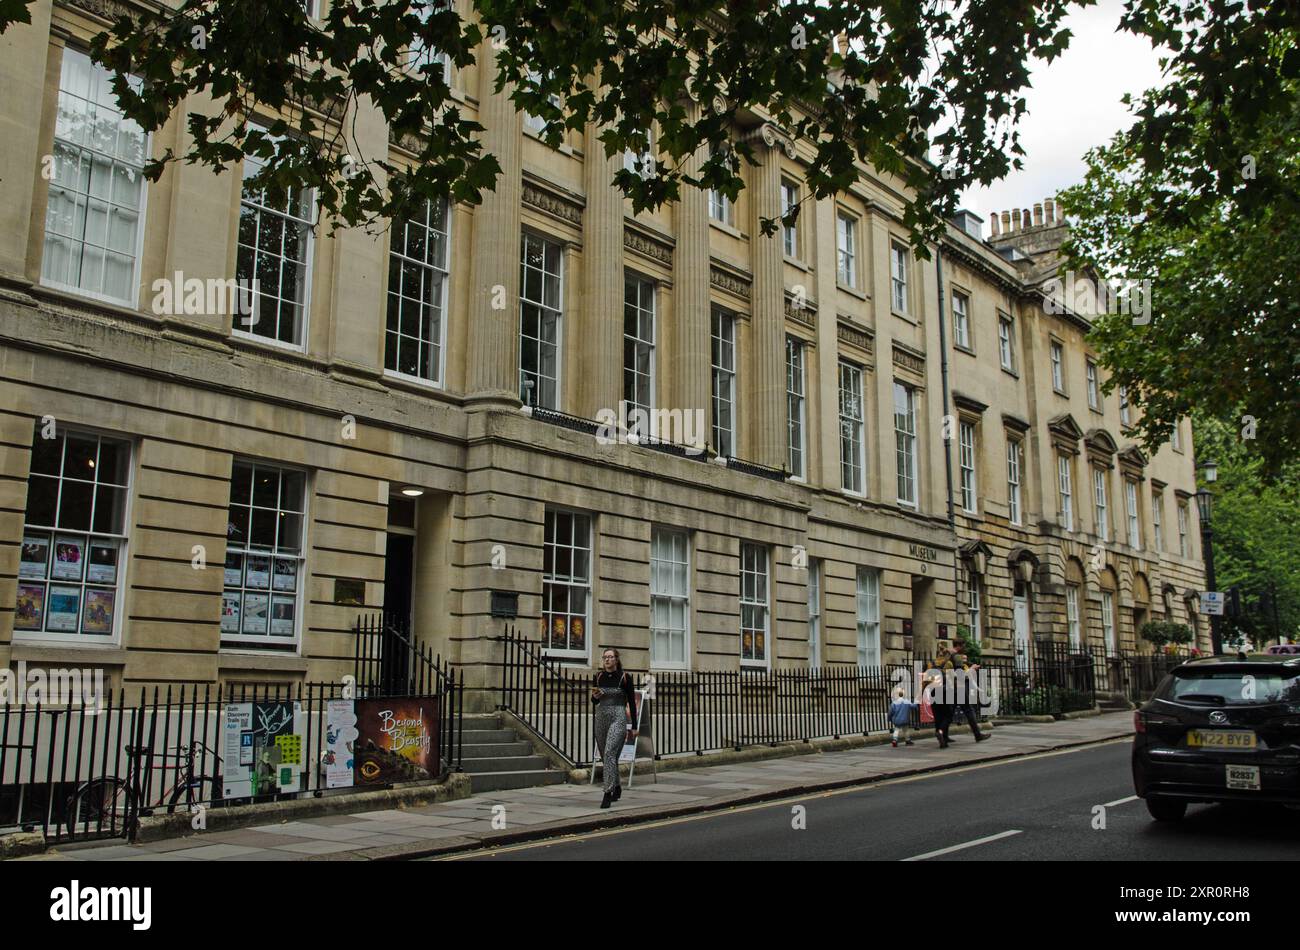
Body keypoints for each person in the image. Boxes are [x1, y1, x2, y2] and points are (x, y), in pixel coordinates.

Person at [591, 647, 638, 808]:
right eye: (605, 657)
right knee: (607, 757)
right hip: (601, 717)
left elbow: (632, 702)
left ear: (616, 659)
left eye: (610, 657)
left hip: (618, 717)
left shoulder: (625, 677)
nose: (607, 660)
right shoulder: (598, 676)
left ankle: (607, 792)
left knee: (610, 752)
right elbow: (594, 702)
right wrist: (594, 697)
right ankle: (617, 786)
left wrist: (635, 726)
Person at [937, 642, 988, 743]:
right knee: (969, 710)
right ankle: (977, 735)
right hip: (958, 688)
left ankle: (942, 733)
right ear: (960, 646)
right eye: (963, 646)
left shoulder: (948, 656)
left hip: (949, 687)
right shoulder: (956, 657)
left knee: (949, 713)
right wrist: (972, 669)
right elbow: (960, 675)